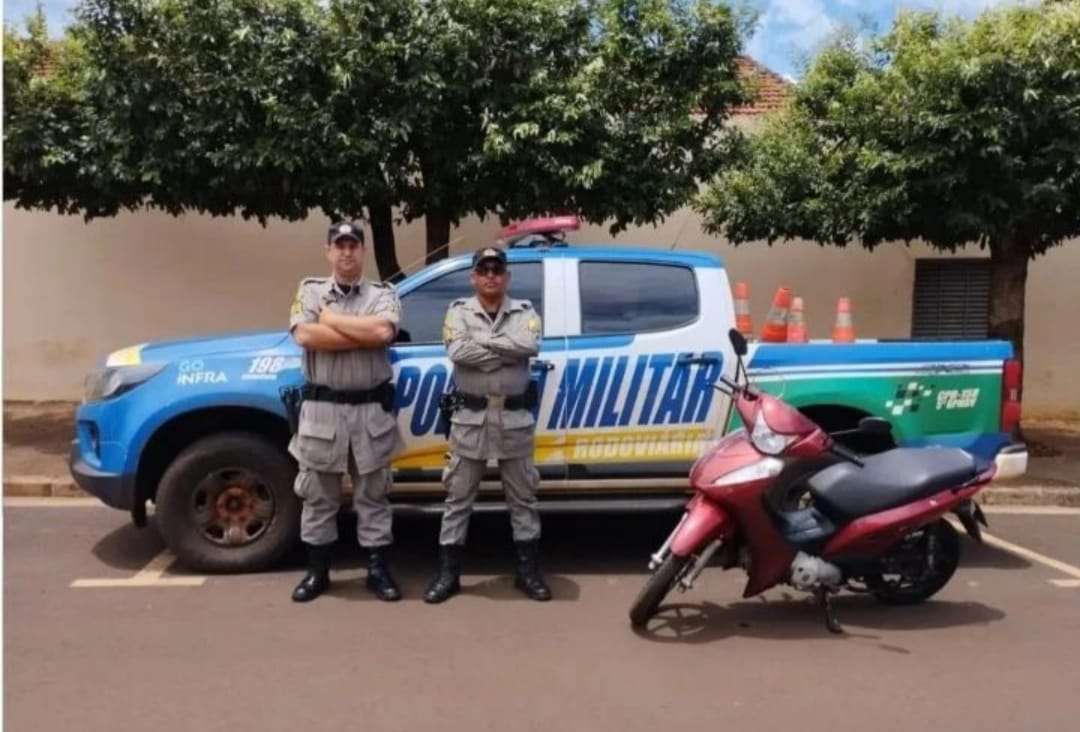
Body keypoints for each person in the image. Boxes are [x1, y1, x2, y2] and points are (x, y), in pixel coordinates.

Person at [423, 246, 551, 604]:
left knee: (523, 499)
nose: (491, 275)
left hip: (513, 419)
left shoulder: (524, 311)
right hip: (471, 420)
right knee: (458, 499)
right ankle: (448, 575)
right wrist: (504, 351)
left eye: (497, 269)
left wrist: (484, 344)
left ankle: (528, 573)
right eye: (484, 269)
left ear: (506, 276)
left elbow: (530, 344)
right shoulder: (457, 312)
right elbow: (457, 352)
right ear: (473, 277)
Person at [286, 221, 404, 603]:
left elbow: (383, 334)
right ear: (328, 251)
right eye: (340, 245)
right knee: (318, 497)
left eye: (354, 245)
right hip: (323, 414)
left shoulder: (383, 294)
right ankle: (318, 573)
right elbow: (305, 335)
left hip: (370, 412)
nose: (347, 251)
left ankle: (377, 570)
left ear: (363, 251)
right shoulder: (310, 291)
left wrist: (332, 321)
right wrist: (359, 332)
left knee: (374, 496)